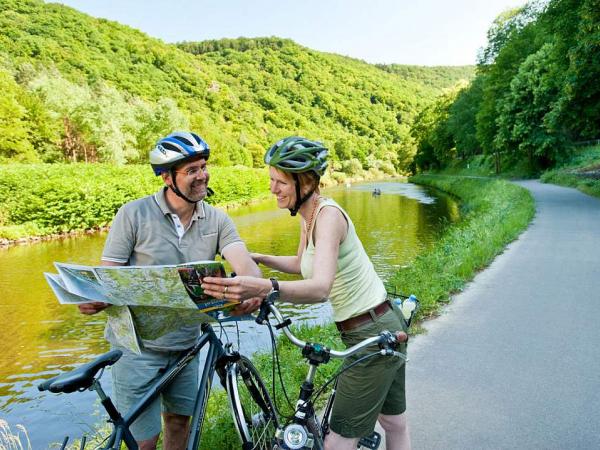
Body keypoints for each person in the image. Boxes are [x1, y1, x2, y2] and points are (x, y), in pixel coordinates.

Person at [201, 136, 412, 450]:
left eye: (280, 182)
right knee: (394, 423)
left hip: (372, 335)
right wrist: (259, 258)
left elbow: (320, 288)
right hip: (381, 324)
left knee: (337, 442)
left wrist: (264, 287)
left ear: (306, 182)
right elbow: (303, 264)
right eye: (272, 180)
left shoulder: (328, 218)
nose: (273, 188)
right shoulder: (309, 217)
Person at [78, 131, 261, 450]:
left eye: (203, 166)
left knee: (179, 423)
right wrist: (97, 297)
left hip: (186, 345)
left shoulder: (217, 220)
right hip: (137, 349)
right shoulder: (132, 215)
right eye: (191, 170)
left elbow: (243, 262)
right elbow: (108, 276)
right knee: (144, 442)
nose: (202, 175)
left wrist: (254, 288)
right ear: (166, 177)